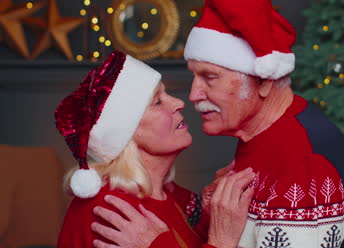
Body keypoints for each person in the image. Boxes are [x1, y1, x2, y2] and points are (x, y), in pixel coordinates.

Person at [93, 0, 344, 248]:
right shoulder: (260, 135)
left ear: (262, 80)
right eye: (194, 76)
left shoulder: (303, 164)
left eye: (209, 77)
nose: (193, 94)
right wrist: (210, 219)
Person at [54, 51, 255, 248]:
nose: (179, 103)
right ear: (128, 132)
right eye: (157, 102)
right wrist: (222, 242)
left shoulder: (168, 195)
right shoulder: (111, 210)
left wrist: (210, 217)